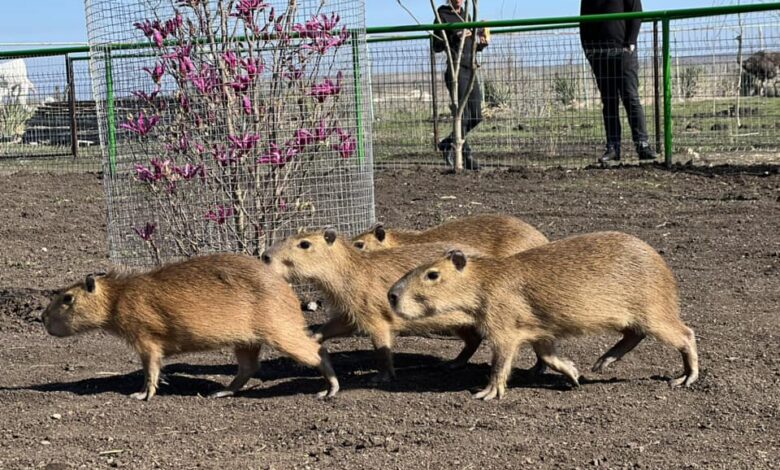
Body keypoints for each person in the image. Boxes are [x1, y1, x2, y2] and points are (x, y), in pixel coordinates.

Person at [580, 0, 657, 163]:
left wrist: (630, 42)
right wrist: (588, 50)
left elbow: (636, 12)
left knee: (631, 98)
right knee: (609, 102)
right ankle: (613, 147)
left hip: (623, 52)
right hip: (599, 54)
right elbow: (584, 21)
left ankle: (642, 145)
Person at [432, 0, 488, 171]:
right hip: (456, 71)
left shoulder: (466, 14)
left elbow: (469, 45)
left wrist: (480, 45)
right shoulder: (442, 15)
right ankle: (464, 155)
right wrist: (455, 34)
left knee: (476, 115)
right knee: (463, 115)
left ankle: (449, 143)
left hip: (470, 68)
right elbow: (436, 46)